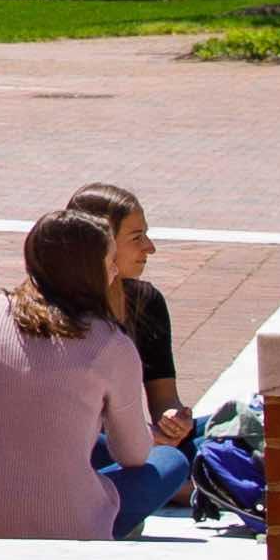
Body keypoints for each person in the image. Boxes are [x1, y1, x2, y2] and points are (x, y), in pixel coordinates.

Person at [0, 205, 168, 539]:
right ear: (94, 272)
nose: (113, 273)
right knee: (168, 461)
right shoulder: (112, 344)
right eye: (110, 263)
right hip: (73, 529)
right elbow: (134, 454)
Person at [70, 176, 210, 529]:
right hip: (85, 446)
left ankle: (190, 483)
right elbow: (65, 424)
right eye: (136, 238)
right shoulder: (58, 310)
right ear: (101, 245)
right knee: (166, 461)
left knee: (224, 428)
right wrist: (146, 439)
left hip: (137, 438)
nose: (150, 248)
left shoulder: (146, 302)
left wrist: (174, 422)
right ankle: (190, 486)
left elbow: (164, 398)